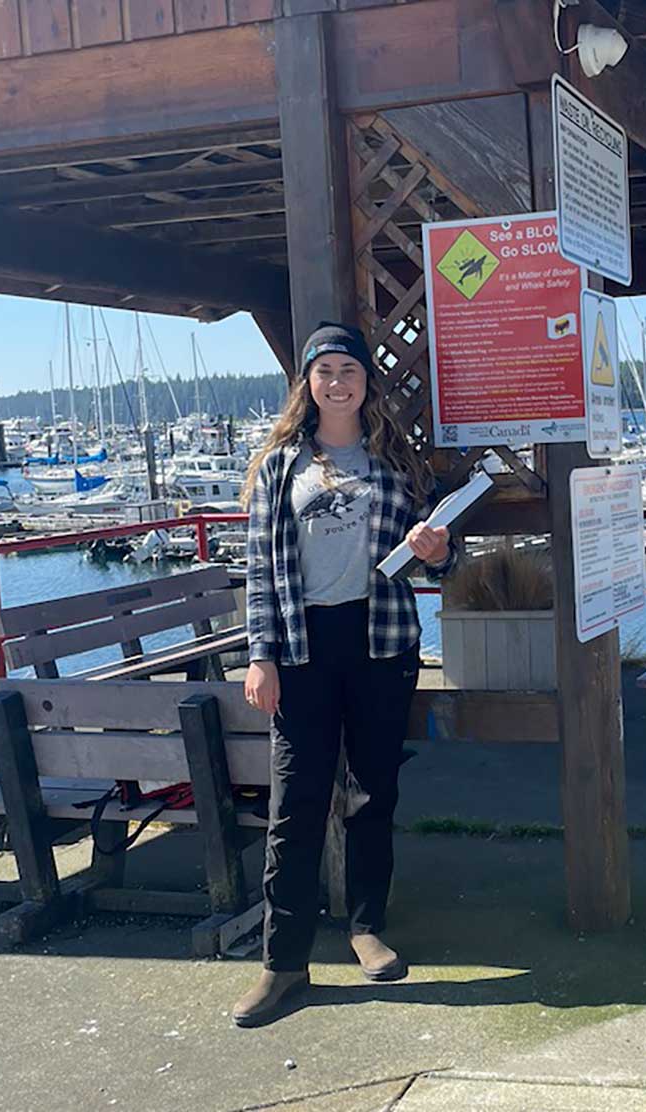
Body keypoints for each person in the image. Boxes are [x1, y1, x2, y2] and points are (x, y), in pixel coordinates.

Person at [232, 322, 455, 1028]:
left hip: (380, 645)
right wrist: (260, 655)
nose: (337, 381)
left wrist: (439, 550)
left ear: (366, 382)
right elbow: (261, 571)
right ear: (308, 383)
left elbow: (441, 556)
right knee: (294, 807)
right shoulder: (279, 467)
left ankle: (365, 926)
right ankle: (283, 964)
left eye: (348, 369)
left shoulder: (394, 462)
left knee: (372, 795)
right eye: (324, 370)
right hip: (301, 651)